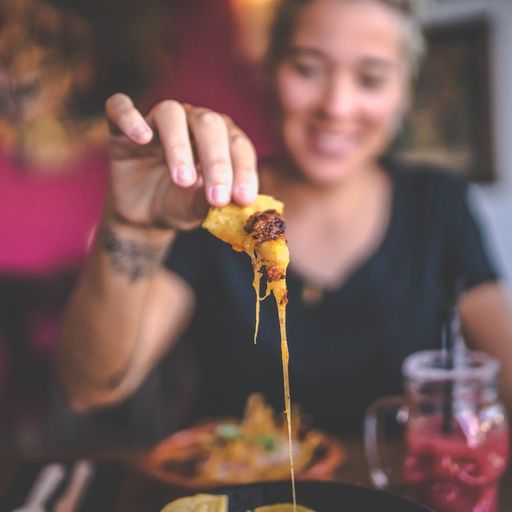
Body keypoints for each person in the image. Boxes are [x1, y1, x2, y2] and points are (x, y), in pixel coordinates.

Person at [56, 0, 512, 438]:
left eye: (370, 78)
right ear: (271, 71)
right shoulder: (209, 203)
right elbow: (90, 390)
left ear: (403, 94)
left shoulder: (437, 203)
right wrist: (132, 224)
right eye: (308, 69)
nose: (336, 105)